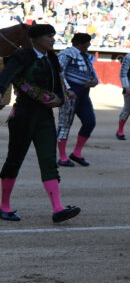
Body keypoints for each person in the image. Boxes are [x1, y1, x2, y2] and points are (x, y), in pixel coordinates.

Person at [0, 23, 81, 223]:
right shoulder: (21, 57)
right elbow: (5, 78)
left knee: (48, 160)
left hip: (44, 116)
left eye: (53, 36)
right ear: (36, 39)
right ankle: (4, 206)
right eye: (48, 36)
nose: (53, 39)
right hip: (23, 115)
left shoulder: (52, 58)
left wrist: (60, 99)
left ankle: (58, 208)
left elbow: (59, 84)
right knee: (14, 160)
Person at [56, 32, 100, 167]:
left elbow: (93, 73)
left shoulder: (86, 56)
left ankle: (76, 153)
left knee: (90, 122)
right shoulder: (66, 54)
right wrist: (67, 90)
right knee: (64, 125)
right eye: (88, 43)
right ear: (81, 43)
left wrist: (94, 82)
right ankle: (62, 157)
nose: (89, 45)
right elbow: (59, 72)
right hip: (70, 95)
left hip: (84, 95)